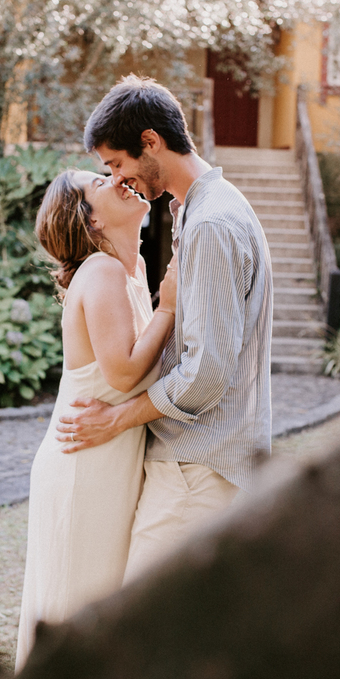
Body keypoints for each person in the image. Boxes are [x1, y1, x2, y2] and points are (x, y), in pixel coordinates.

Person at [58, 74, 273, 585]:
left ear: (150, 142)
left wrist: (116, 420)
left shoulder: (211, 224)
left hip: (196, 469)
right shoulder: (194, 212)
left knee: (140, 638)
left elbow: (207, 373)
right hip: (194, 466)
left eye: (117, 164)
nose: (119, 179)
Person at [15, 167, 178, 671]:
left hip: (105, 459)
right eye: (99, 183)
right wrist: (169, 309)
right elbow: (126, 372)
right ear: (89, 221)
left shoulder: (128, 273)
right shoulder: (103, 273)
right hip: (83, 469)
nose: (117, 178)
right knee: (75, 613)